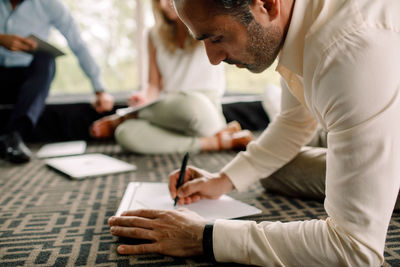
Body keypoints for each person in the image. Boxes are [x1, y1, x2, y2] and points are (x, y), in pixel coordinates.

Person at [108, 0, 400, 266]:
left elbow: (354, 248)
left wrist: (204, 236)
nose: (212, 58)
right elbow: (294, 123)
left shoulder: (348, 49)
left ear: (267, 5)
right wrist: (221, 181)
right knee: (277, 170)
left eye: (216, 37)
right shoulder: (302, 23)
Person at [90, 0, 252, 154]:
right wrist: (143, 98)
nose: (163, 4)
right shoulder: (153, 34)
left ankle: (126, 116)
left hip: (203, 109)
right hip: (167, 110)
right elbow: (153, 85)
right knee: (125, 134)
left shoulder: (209, 23)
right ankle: (217, 142)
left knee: (192, 106)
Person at [0, 0, 114, 164]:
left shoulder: (49, 4)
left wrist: (100, 89)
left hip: (28, 80)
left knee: (46, 59)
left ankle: (13, 135)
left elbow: (78, 45)